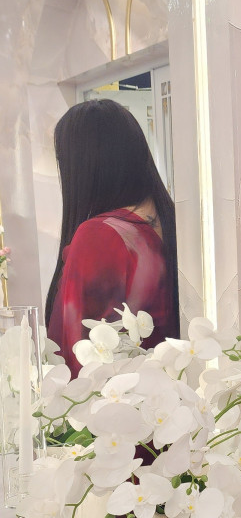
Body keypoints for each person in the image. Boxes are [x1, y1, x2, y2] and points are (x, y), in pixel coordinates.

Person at [45, 98, 179, 375]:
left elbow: (80, 362)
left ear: (81, 165)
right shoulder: (172, 222)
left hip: (114, 398)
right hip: (172, 392)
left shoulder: (101, 235)